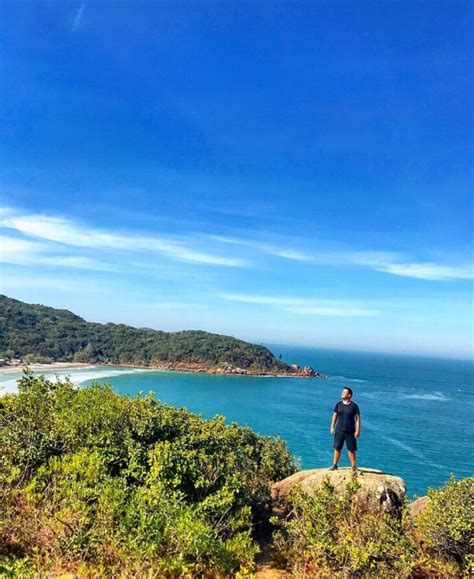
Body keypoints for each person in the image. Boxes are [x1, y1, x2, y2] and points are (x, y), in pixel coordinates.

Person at [329, 387, 361, 473]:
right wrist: (332, 427)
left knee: (351, 449)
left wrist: (358, 430)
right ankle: (335, 465)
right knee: (337, 448)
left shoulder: (354, 406)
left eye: (344, 392)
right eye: (342, 392)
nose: (342, 393)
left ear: (349, 395)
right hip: (339, 429)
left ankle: (354, 467)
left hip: (350, 431)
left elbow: (357, 419)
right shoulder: (338, 404)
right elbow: (334, 416)